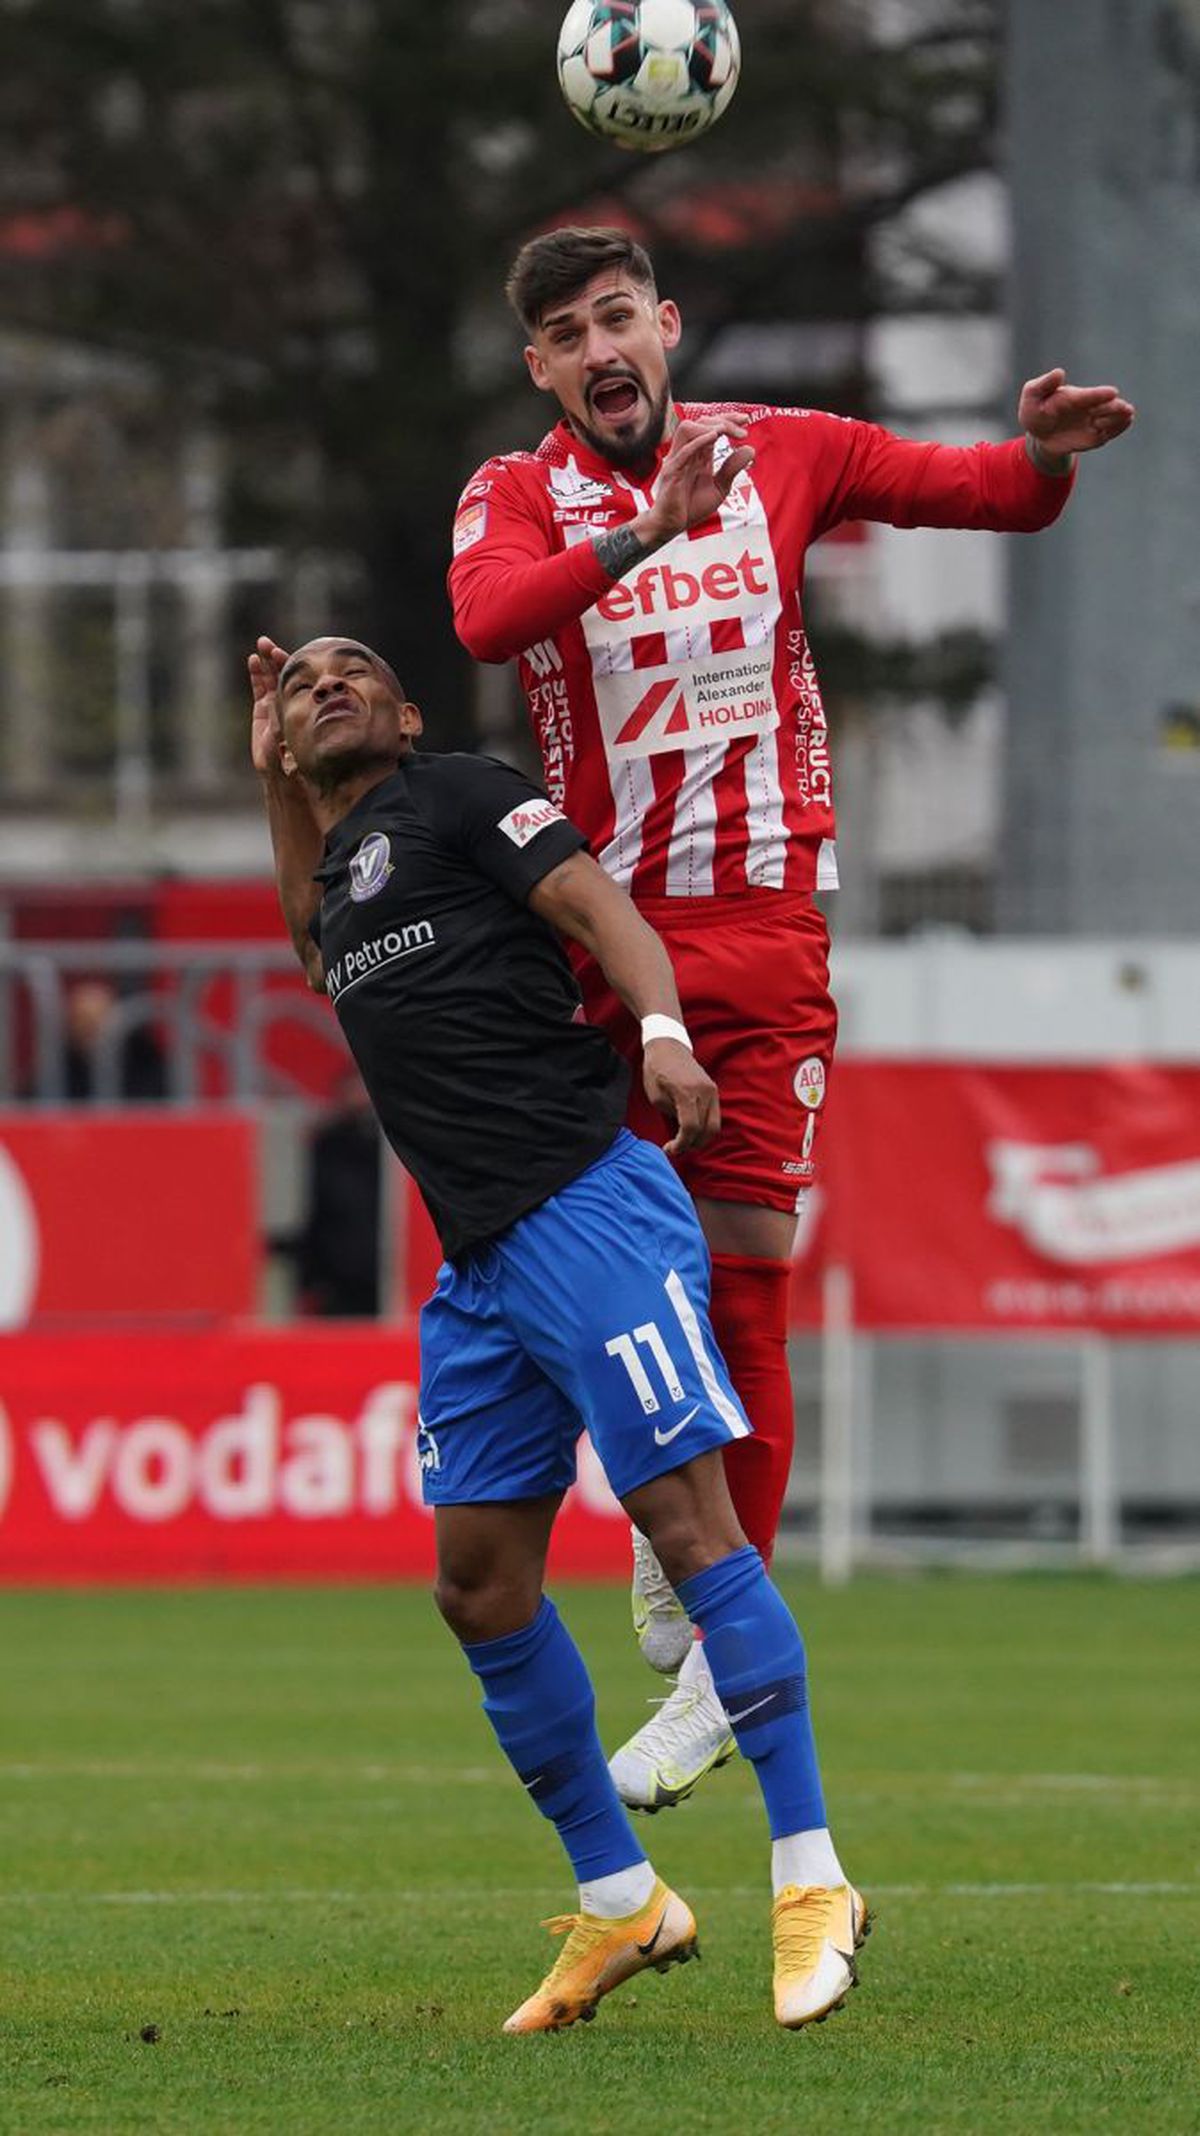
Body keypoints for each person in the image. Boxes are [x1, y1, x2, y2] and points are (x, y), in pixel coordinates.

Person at [448, 224, 1136, 1810]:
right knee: (596, 1278)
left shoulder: (787, 452)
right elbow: (491, 624)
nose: (598, 344)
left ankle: (711, 1653)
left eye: (618, 312)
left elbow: (980, 491)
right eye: (565, 331)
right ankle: (658, 1517)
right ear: (540, 370)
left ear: (667, 327)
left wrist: (1037, 458)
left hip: (761, 936)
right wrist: (638, 539)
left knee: (751, 1275)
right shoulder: (513, 496)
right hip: (597, 940)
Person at [249, 630, 870, 2035]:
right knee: (477, 1588)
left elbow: (601, 911)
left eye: (355, 670)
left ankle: (813, 1876)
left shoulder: (464, 798)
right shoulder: (343, 879)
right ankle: (622, 1902)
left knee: (687, 1521)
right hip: (478, 1271)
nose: (325, 681)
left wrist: (662, 1030)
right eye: (302, 682)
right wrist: (276, 784)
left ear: (409, 716)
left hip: (588, 1208)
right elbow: (306, 933)